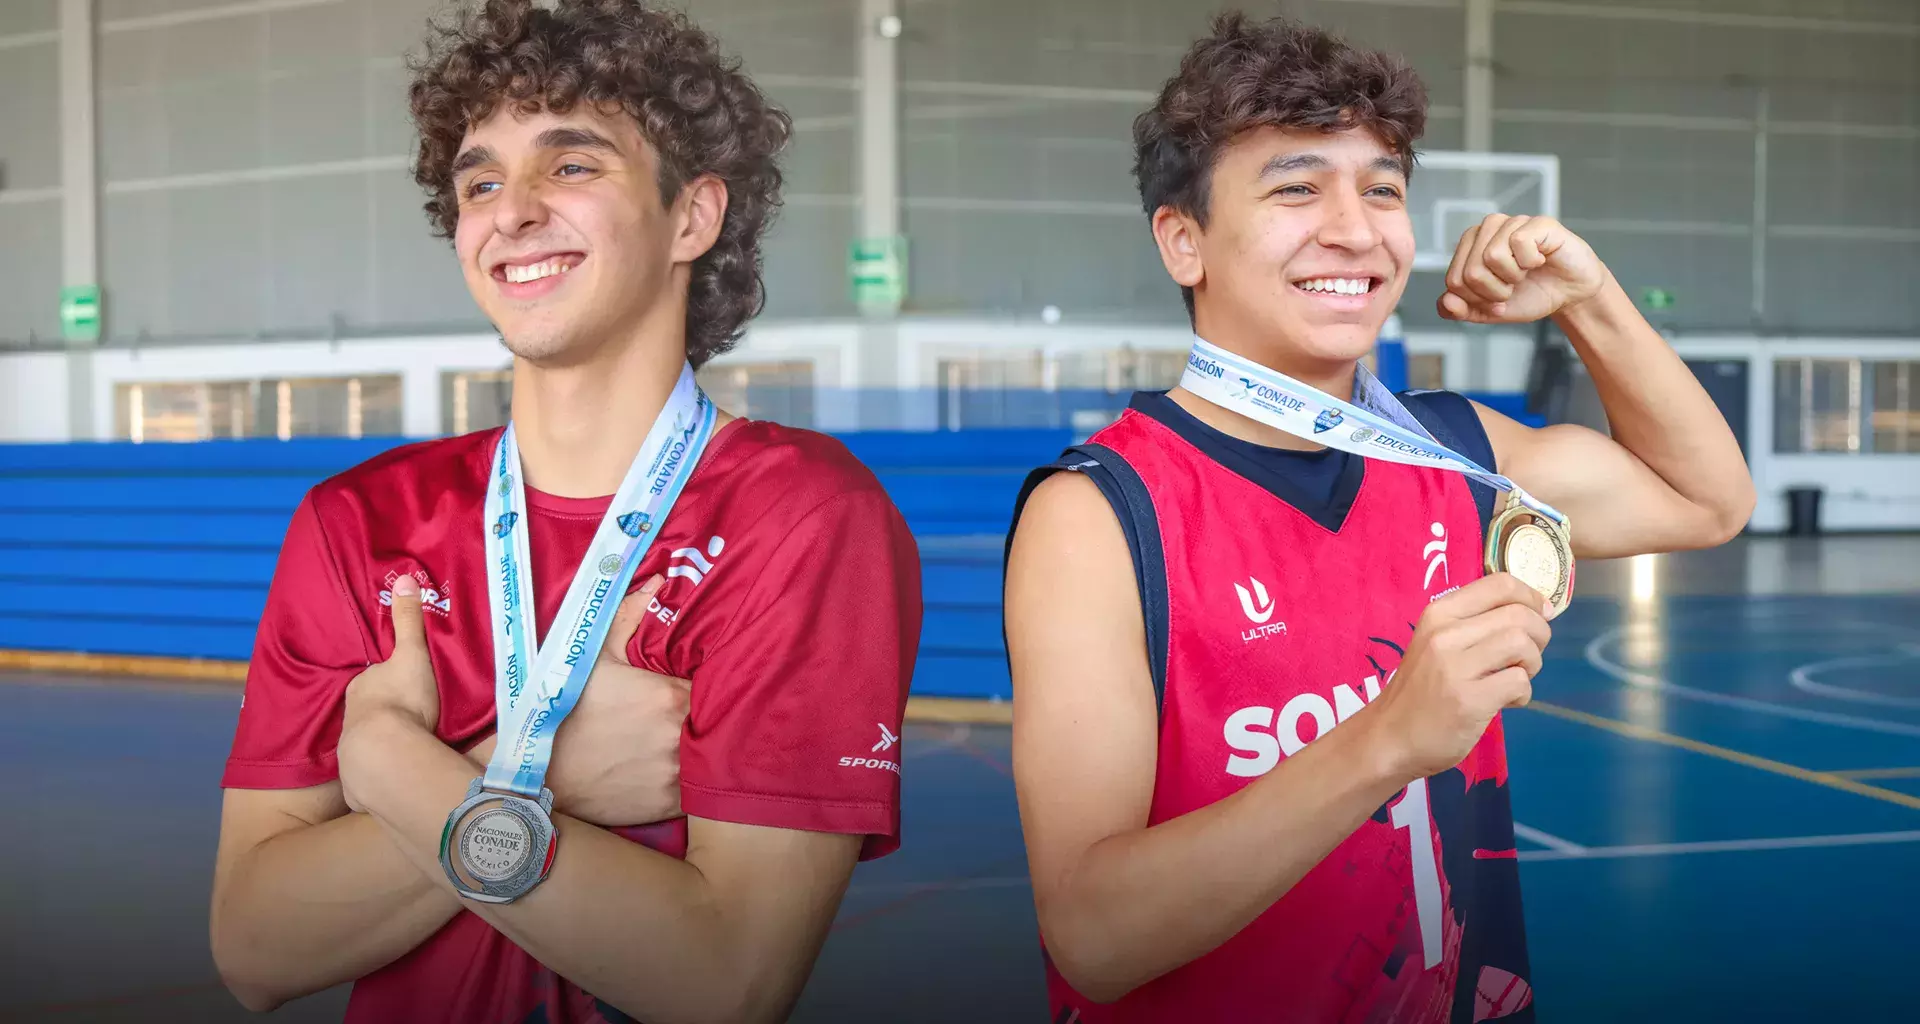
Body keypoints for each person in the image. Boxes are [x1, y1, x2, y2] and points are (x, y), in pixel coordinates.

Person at [1003, 13, 1753, 1023]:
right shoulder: (1099, 512)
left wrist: (1590, 297)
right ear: (1185, 241)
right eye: (1297, 187)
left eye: (1384, 189)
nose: (1356, 228)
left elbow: (1709, 501)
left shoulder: (1460, 453)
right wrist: (1388, 738)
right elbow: (1093, 937)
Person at [208, 2, 921, 1022]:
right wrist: (547, 769)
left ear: (692, 217)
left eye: (571, 166)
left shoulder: (802, 517)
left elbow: (725, 978)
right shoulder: (356, 523)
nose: (512, 211)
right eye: (482, 180)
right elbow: (255, 943)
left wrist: (391, 764)